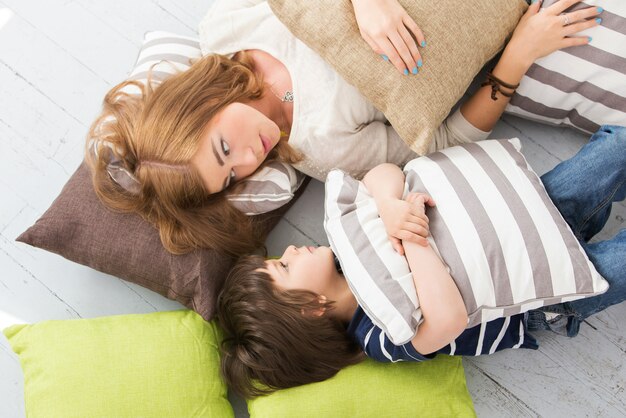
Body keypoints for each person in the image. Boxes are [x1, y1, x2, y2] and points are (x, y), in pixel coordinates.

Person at [86, 0, 602, 256]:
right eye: (232, 178)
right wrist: (519, 54)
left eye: (224, 148)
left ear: (198, 104)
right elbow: (444, 141)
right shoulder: (320, 149)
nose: (248, 161)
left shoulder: (227, 26)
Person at [216, 125, 626, 398]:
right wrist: (413, 237)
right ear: (311, 307)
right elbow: (447, 320)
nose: (288, 250)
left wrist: (391, 207)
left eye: (276, 257)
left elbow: (381, 172)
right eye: (283, 267)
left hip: (527, 211)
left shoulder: (348, 244)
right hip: (539, 294)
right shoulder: (379, 338)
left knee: (615, 148)